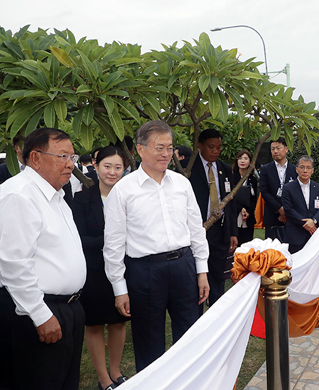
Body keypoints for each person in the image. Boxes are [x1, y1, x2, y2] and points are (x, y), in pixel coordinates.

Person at [103, 120, 210, 371]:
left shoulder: (181, 183)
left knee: (191, 337)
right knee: (149, 343)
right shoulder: (124, 190)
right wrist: (120, 288)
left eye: (169, 148)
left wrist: (201, 271)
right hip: (145, 272)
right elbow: (114, 243)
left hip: (184, 266)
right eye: (159, 147)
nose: (166, 154)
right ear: (140, 150)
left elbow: (196, 229)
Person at [0, 127, 86, 390]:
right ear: (35, 158)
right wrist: (40, 315)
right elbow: (14, 264)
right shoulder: (19, 194)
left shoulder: (56, 194)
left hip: (67, 309)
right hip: (37, 311)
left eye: (73, 157)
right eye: (62, 156)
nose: (70, 164)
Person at [71, 146, 129, 390]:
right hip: (94, 272)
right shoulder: (82, 199)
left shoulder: (129, 196)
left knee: (119, 321)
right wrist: (110, 238)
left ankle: (116, 372)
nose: (112, 172)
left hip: (124, 270)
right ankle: (103, 378)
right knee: (94, 324)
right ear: (95, 166)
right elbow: (78, 238)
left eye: (118, 167)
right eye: (107, 166)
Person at [188, 129, 238, 306]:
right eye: (211, 147)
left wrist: (232, 232)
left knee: (217, 275)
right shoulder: (189, 168)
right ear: (200, 146)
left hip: (220, 230)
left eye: (218, 147)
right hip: (196, 229)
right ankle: (197, 313)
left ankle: (217, 310)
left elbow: (230, 202)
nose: (215, 151)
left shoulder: (224, 169)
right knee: (196, 274)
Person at [281, 155, 319, 253]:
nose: (305, 170)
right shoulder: (288, 188)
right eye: (302, 167)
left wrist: (314, 221)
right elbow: (288, 209)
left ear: (312, 170)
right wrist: (306, 223)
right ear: (297, 169)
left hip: (314, 233)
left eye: (308, 167)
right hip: (295, 234)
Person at [259, 137, 298, 240]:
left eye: (278, 148)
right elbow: (264, 191)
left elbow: (297, 192)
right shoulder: (265, 169)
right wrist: (279, 209)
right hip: (272, 214)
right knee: (271, 250)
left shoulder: (295, 170)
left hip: (291, 216)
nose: (275, 151)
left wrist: (286, 211)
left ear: (286, 149)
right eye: (272, 149)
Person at [232, 149, 258, 245]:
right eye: (240, 158)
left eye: (245, 158)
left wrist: (248, 211)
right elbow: (230, 197)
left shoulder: (253, 180)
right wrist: (241, 208)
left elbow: (253, 199)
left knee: (247, 245)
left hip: (248, 218)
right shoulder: (231, 177)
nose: (242, 161)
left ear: (250, 162)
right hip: (235, 215)